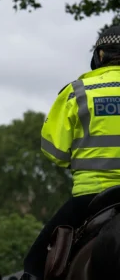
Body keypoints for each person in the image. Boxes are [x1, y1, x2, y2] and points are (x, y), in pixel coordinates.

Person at [22, 25, 120, 279]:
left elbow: (54, 151)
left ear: (100, 56)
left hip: (90, 197)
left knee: (34, 264)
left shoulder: (78, 91)